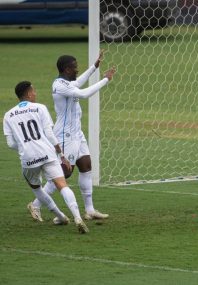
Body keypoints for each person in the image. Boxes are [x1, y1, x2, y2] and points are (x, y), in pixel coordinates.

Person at [28, 51, 116, 222]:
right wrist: (105, 80)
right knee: (64, 173)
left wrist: (94, 67)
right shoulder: (59, 85)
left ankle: (89, 210)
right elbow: (83, 93)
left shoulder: (67, 82)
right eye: (75, 67)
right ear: (67, 69)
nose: (77, 69)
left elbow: (77, 83)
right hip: (65, 135)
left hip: (77, 132)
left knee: (86, 165)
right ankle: (36, 204)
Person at [3, 81, 89, 234]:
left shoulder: (8, 115)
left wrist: (24, 147)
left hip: (28, 158)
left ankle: (60, 216)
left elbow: (10, 143)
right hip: (47, 153)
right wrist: (61, 154)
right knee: (62, 185)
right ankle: (77, 217)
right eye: (33, 91)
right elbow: (49, 133)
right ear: (28, 93)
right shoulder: (40, 108)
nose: (35, 93)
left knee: (36, 189)